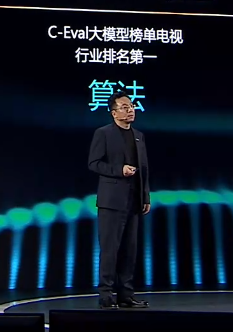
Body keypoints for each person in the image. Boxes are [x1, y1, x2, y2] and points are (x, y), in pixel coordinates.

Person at [87, 89, 151, 309]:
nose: (130, 110)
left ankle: (126, 295)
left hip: (133, 201)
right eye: (124, 107)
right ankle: (106, 295)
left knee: (129, 251)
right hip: (111, 202)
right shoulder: (103, 134)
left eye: (131, 106)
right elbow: (94, 163)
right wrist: (119, 170)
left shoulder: (138, 136)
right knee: (110, 250)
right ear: (114, 113)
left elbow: (144, 168)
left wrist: (145, 196)